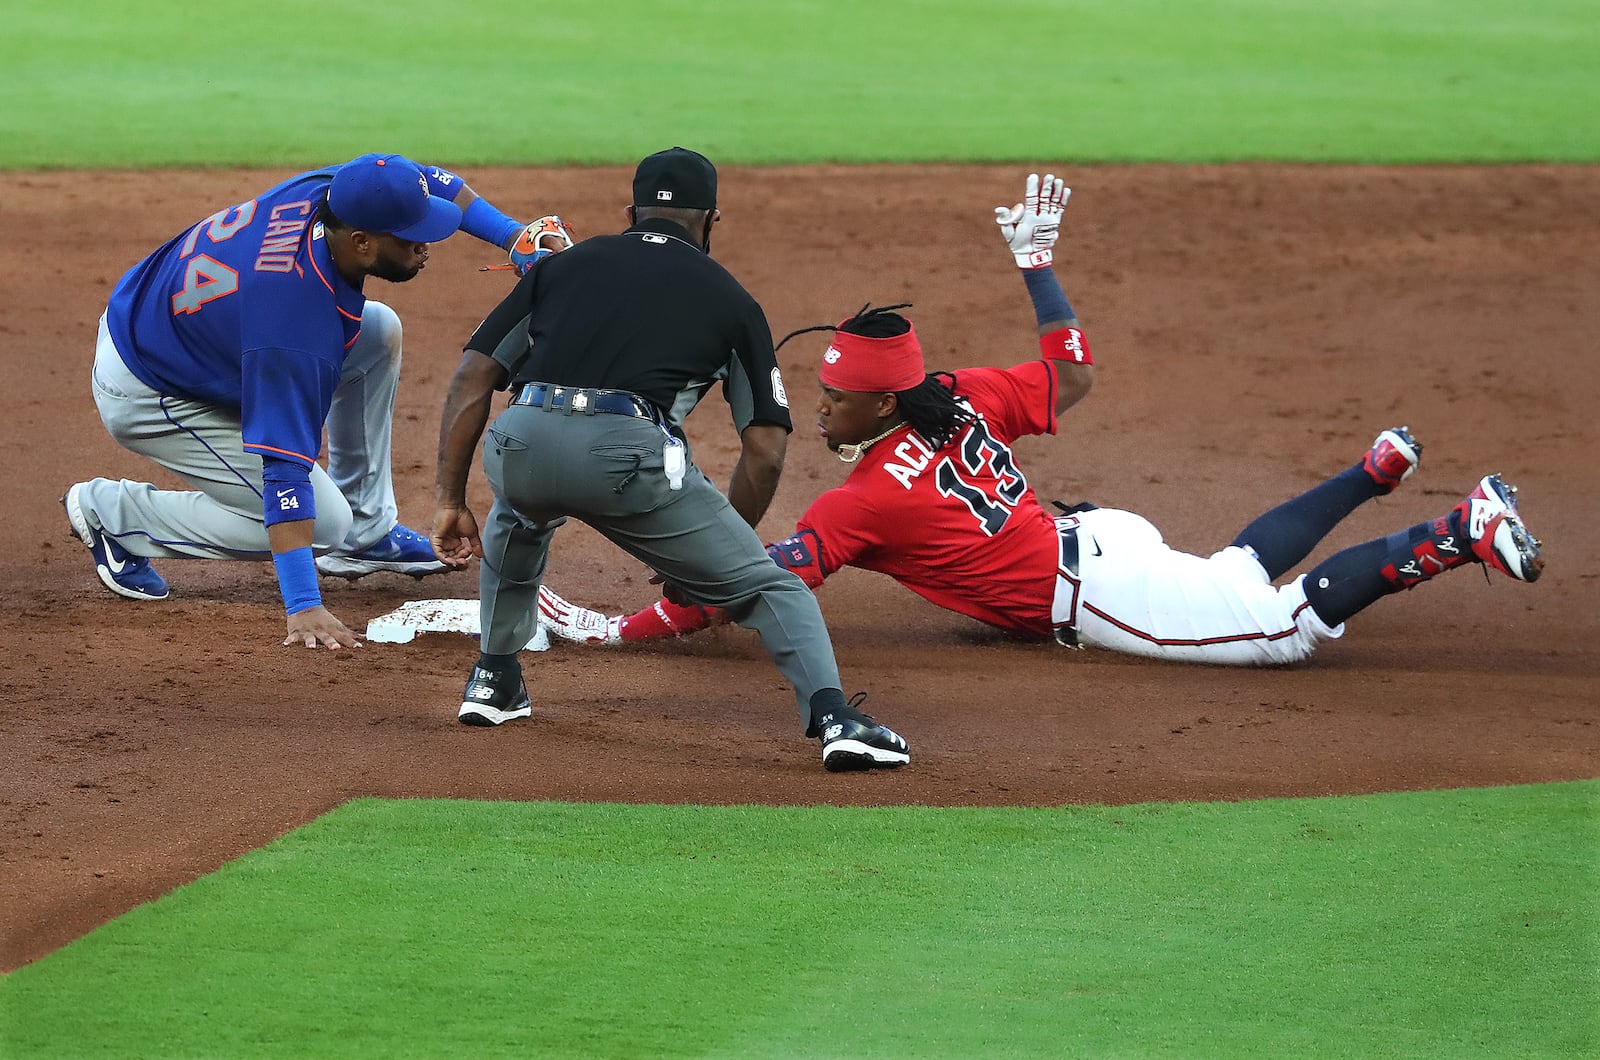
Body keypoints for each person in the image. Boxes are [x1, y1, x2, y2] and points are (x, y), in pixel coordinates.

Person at [536, 172, 1545, 666]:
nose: (823, 404)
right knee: (1231, 572)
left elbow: (757, 578)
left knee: (1275, 628)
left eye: (836, 393)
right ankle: (1370, 472)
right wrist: (1037, 269)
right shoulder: (961, 394)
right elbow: (1072, 375)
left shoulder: (863, 502)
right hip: (1100, 534)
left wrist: (623, 627)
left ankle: (1458, 531)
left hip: (1090, 585)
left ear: (881, 398)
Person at [430, 146, 909, 772]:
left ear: (630, 212)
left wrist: (449, 499)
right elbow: (764, 447)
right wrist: (715, 554)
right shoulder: (731, 299)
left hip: (519, 442)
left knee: (519, 512)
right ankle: (835, 718)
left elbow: (473, 376)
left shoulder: (561, 268)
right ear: (710, 220)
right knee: (771, 587)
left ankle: (493, 678)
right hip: (623, 460)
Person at [62, 153, 572, 650]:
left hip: (178, 326)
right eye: (411, 237)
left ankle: (367, 533)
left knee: (377, 332)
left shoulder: (337, 190)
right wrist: (303, 604)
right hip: (151, 389)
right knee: (324, 524)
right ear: (361, 242)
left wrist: (513, 237)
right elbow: (282, 473)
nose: (428, 243)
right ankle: (114, 514)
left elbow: (421, 181)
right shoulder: (294, 327)